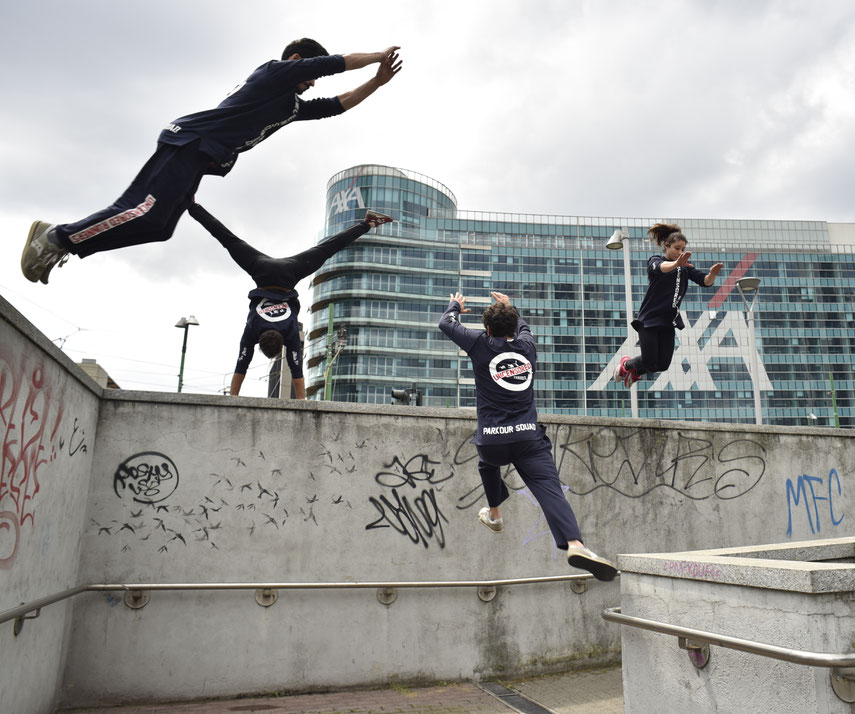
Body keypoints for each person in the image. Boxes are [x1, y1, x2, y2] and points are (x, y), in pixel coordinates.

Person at [22, 38, 402, 284]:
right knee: (140, 209)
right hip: (190, 142)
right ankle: (56, 237)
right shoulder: (275, 72)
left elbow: (336, 106)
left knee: (159, 226)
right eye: (310, 74)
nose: (313, 84)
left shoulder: (290, 105)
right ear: (298, 61)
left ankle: (64, 242)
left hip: (200, 156)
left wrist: (378, 83)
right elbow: (334, 64)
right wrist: (377, 56)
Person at [439, 291, 617, 581]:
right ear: (513, 328)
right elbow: (522, 325)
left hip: (492, 440)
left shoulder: (478, 343)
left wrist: (455, 306)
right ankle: (575, 544)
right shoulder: (527, 346)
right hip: (528, 439)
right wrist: (511, 308)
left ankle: (495, 514)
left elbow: (446, 324)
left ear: (487, 330)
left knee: (487, 462)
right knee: (550, 490)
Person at [187, 202, 392, 399]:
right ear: (260, 341)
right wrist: (232, 396)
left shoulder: (290, 332)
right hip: (261, 269)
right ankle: (193, 206)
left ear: (281, 342)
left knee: (329, 248)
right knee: (228, 239)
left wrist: (301, 401)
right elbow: (241, 364)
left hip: (289, 274)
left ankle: (368, 223)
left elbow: (296, 371)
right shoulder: (252, 329)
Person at [615, 223, 724, 387]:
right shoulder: (656, 260)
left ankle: (636, 371)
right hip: (650, 321)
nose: (680, 253)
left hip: (668, 322)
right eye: (677, 248)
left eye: (683, 249)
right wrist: (675, 264)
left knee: (662, 365)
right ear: (667, 246)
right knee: (649, 360)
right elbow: (660, 268)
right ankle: (626, 366)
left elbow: (705, 282)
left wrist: (712, 275)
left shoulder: (686, 269)